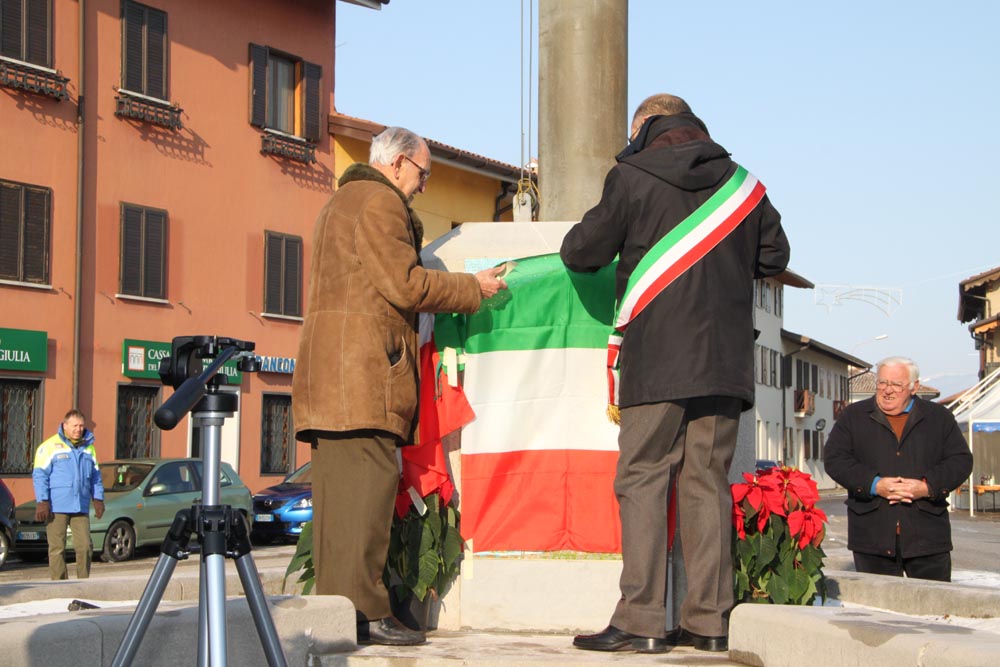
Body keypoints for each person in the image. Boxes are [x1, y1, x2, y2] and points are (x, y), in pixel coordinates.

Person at [561, 94, 789, 654]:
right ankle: (709, 623)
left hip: (658, 360)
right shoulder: (745, 186)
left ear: (644, 128)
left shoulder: (632, 176)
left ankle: (641, 620)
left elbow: (581, 251)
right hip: (726, 363)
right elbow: (775, 257)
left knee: (642, 478)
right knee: (706, 483)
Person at [291, 126, 507, 646]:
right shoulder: (380, 203)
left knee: (337, 510)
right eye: (423, 173)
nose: (424, 185)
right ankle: (366, 612)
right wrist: (472, 288)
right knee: (368, 499)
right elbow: (405, 284)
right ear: (397, 163)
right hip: (362, 380)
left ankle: (338, 615)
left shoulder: (338, 204)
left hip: (329, 381)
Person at [824, 356, 972, 581]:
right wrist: (874, 484)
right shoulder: (853, 416)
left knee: (930, 601)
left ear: (914, 387)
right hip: (872, 534)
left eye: (896, 384)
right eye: (882, 383)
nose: (887, 390)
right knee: (876, 602)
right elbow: (835, 459)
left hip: (927, 535)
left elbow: (960, 461)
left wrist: (927, 487)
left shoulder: (939, 417)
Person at [32, 409, 105, 580]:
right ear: (65, 426)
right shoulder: (49, 447)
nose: (78, 429)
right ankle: (59, 584)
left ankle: (83, 582)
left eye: (81, 426)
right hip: (56, 506)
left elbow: (96, 476)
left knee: (85, 546)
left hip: (80, 505)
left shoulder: (89, 448)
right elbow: (40, 475)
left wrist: (98, 498)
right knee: (57, 548)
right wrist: (42, 501)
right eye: (75, 426)